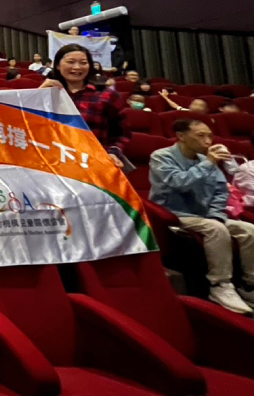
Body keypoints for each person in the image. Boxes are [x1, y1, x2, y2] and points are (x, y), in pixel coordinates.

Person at [149, 119, 254, 314]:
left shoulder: (205, 160)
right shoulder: (161, 156)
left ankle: (249, 285)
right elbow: (178, 182)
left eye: (210, 136)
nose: (207, 141)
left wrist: (215, 214)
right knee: (216, 229)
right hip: (174, 214)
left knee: (249, 230)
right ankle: (220, 285)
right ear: (181, 136)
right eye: (200, 135)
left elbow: (221, 191)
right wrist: (208, 163)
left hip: (204, 215)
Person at [40, 44, 126, 166]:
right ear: (58, 65)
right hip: (51, 163)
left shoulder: (107, 95)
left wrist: (113, 152)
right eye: (71, 62)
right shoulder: (46, 94)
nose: (77, 67)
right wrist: (38, 95)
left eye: (83, 63)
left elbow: (122, 133)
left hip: (93, 163)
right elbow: (28, 126)